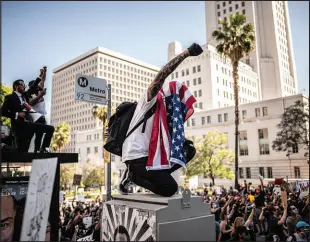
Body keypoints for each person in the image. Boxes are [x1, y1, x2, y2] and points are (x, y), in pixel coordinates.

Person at [118, 43, 203, 196]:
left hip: (151, 157)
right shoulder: (148, 100)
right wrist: (186, 53)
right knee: (170, 188)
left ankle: (155, 175)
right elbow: (161, 75)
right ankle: (132, 177)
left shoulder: (165, 119)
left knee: (188, 149)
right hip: (137, 158)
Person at [1, 69, 54, 153]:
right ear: (16, 86)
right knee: (21, 152)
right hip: (19, 128)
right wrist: (17, 114)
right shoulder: (10, 97)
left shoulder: (25, 95)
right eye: (22, 84)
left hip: (29, 125)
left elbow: (33, 87)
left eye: (24, 84)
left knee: (50, 129)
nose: (24, 86)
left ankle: (44, 148)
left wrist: (40, 75)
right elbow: (3, 112)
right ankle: (4, 146)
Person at [27, 66, 48, 153]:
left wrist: (44, 72)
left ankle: (37, 151)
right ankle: (24, 151)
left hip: (42, 117)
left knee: (39, 136)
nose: (38, 88)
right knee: (30, 135)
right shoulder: (29, 95)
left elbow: (42, 81)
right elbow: (32, 103)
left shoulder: (39, 90)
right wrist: (41, 95)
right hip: (34, 118)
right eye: (36, 87)